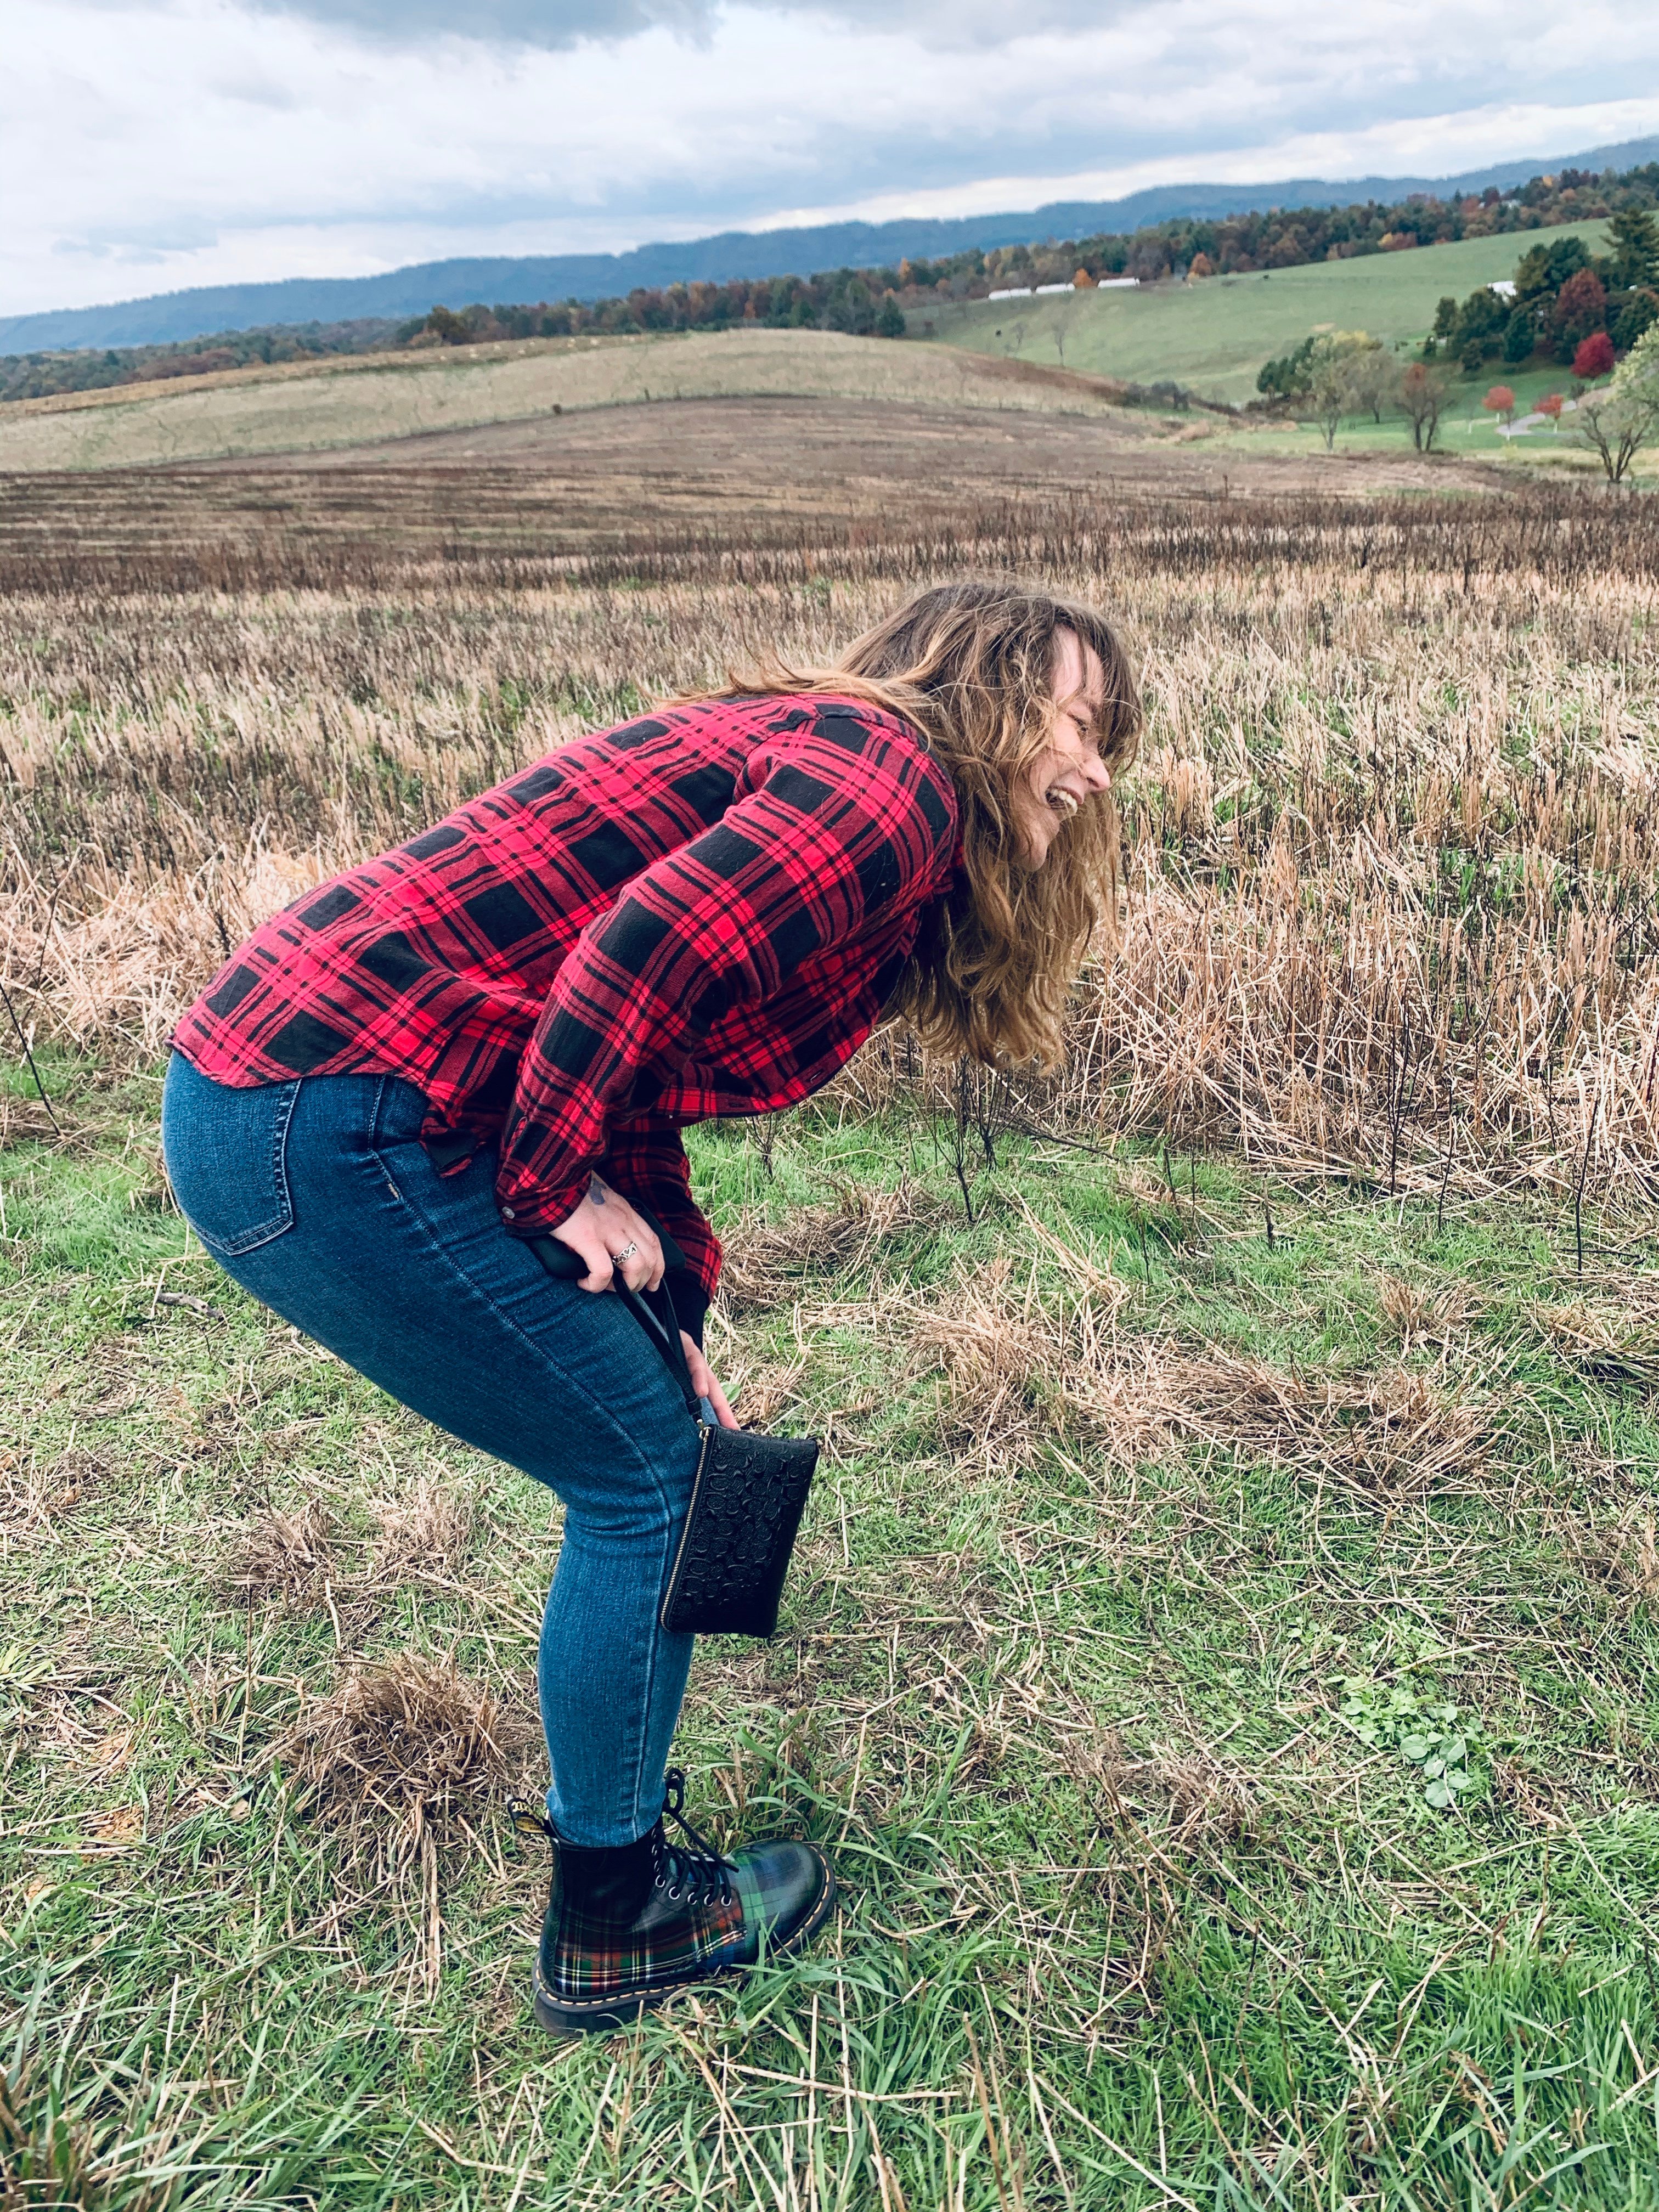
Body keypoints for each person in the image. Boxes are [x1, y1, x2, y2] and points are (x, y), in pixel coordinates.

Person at [160, 577, 1141, 2033]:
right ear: (983, 692)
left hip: (307, 1098)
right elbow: (638, 953)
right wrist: (554, 1185)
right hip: (335, 1113)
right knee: (649, 1484)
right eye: (1077, 716)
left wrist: (671, 1309)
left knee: (664, 1444)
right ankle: (614, 1924)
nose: (1099, 762)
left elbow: (634, 1052)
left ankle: (617, 1838)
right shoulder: (889, 791)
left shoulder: (853, 785)